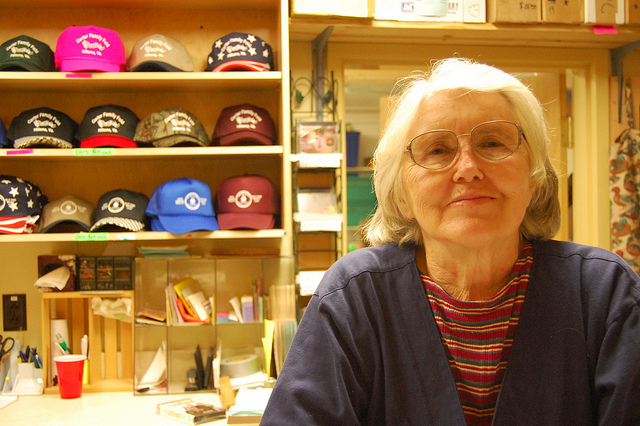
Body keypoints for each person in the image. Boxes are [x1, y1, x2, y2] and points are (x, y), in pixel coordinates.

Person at [261, 58, 640, 425]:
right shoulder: (354, 296)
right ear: (401, 195)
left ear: (535, 177)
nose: (468, 169)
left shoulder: (604, 292)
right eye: (438, 150)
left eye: (493, 143)